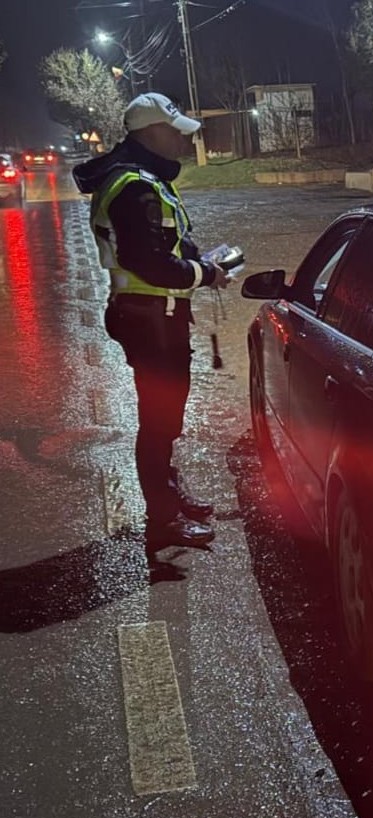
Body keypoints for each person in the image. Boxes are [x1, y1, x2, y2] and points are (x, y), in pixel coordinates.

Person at [72, 92, 226, 552]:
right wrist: (205, 274)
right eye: (175, 132)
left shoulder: (143, 179)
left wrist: (199, 264)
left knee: (166, 418)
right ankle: (163, 518)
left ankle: (169, 496)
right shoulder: (133, 186)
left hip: (157, 314)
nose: (182, 141)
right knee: (158, 422)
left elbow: (168, 246)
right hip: (149, 317)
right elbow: (150, 263)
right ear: (150, 133)